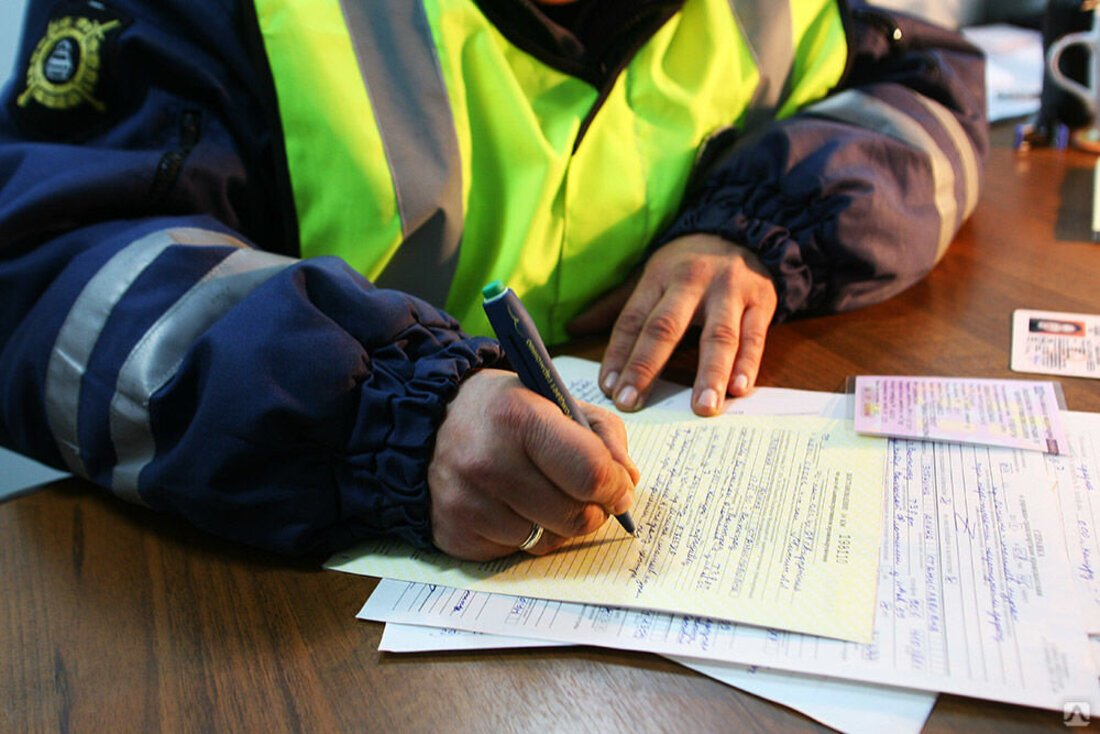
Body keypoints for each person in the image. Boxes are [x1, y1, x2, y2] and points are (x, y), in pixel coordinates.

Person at [0, 0, 986, 560]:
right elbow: (45, 272)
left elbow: (925, 93)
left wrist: (752, 226)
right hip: (293, 610)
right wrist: (393, 416)